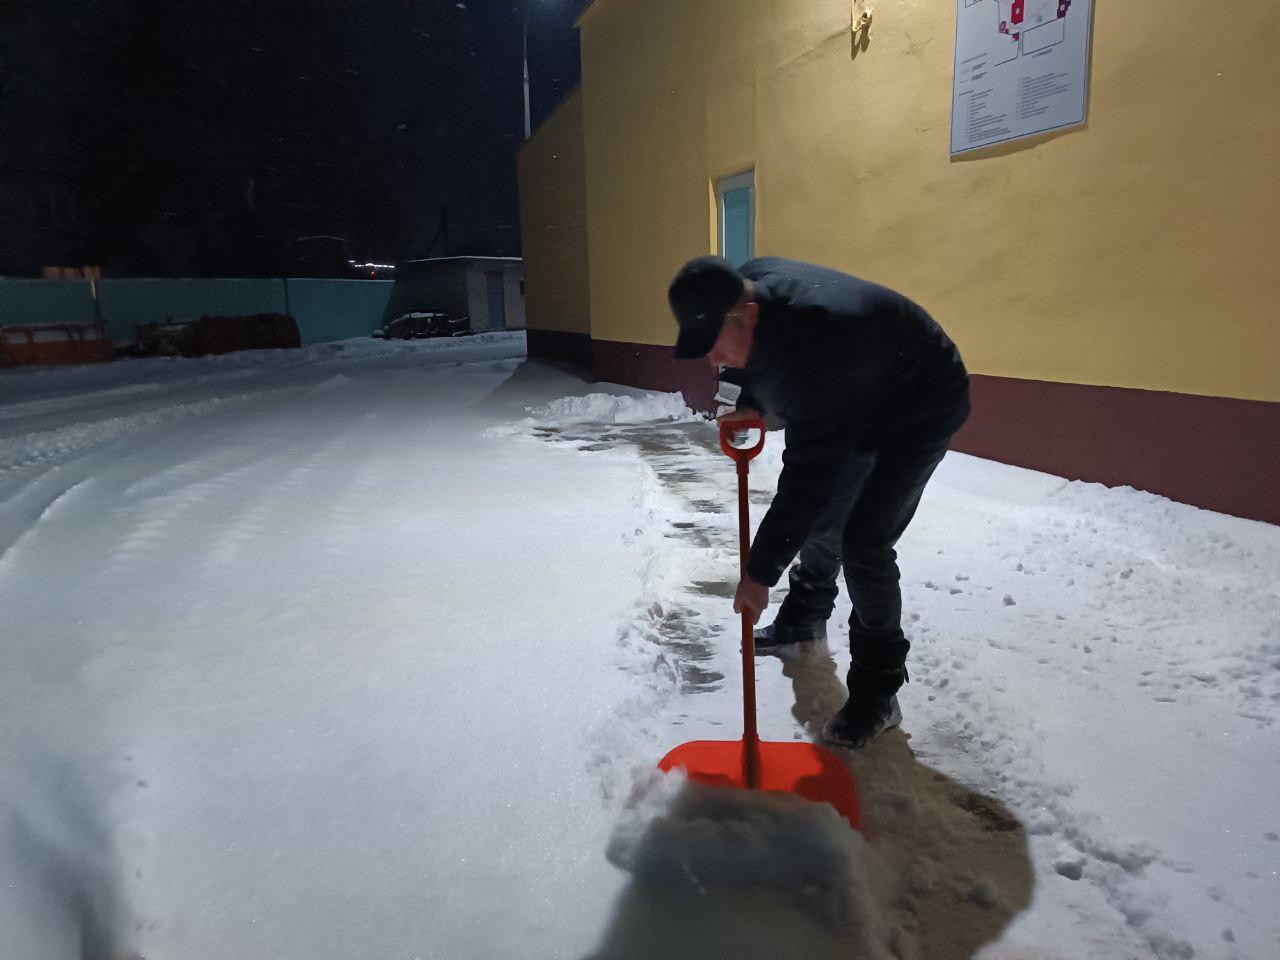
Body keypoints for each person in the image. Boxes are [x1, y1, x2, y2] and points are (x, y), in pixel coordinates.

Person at [667, 255, 970, 749]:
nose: (710, 358)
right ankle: (803, 620)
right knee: (826, 517)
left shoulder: (817, 352)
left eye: (713, 343)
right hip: (860, 383)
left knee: (864, 542)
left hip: (921, 403)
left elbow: (808, 480)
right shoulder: (750, 286)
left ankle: (878, 693)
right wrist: (747, 404)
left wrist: (759, 573)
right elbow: (751, 358)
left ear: (747, 314)